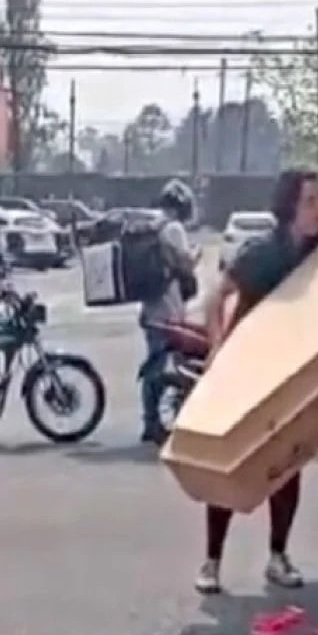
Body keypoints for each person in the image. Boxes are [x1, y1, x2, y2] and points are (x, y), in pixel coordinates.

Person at [195, 169, 318, 595]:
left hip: (290, 371)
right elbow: (216, 297)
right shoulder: (264, 254)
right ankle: (211, 562)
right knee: (232, 461)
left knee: (286, 464)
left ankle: (278, 556)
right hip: (247, 368)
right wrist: (217, 349)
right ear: (289, 206)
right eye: (310, 200)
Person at [139, 182, 201, 444]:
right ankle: (153, 423)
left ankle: (151, 419)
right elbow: (185, 263)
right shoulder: (173, 228)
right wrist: (196, 255)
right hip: (166, 308)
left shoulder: (156, 225)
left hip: (152, 307)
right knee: (162, 367)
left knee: (156, 363)